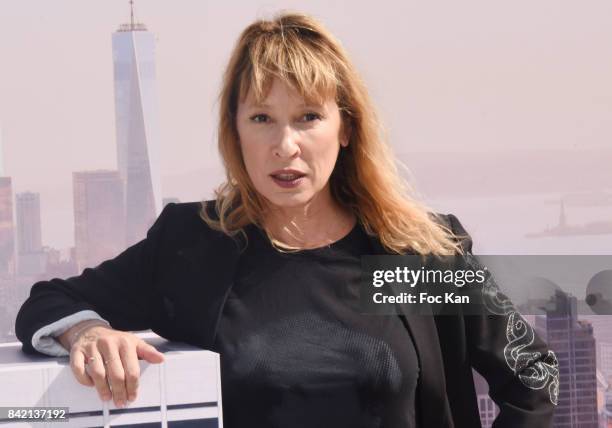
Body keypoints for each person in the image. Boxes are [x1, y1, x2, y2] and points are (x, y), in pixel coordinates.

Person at [15, 11, 559, 428]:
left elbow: (534, 375)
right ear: (236, 132)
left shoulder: (416, 251)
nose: (285, 145)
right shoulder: (194, 246)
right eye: (262, 119)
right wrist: (87, 332)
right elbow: (48, 301)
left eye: (307, 118)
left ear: (345, 128)